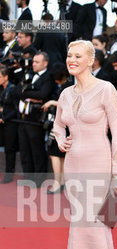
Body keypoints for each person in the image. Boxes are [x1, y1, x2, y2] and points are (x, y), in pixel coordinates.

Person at [53, 40, 117, 249]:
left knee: (97, 229)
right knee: (79, 230)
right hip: (74, 168)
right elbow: (58, 125)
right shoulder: (65, 94)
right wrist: (62, 141)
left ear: (90, 60)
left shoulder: (106, 89)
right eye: (69, 55)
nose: (71, 59)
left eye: (77, 56)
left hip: (99, 165)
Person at [18, 51, 55, 187]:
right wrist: (29, 95)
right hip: (22, 119)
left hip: (36, 120)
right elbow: (18, 91)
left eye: (36, 62)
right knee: (25, 150)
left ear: (45, 63)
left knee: (37, 150)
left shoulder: (48, 77)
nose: (33, 64)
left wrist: (27, 93)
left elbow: (42, 94)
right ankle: (28, 177)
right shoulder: (30, 74)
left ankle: (39, 179)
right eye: (33, 61)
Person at [42, 62, 73, 194]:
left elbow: (67, 104)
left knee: (55, 154)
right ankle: (62, 182)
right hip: (66, 125)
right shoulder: (70, 85)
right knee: (60, 154)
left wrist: (52, 102)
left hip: (62, 125)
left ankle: (57, 183)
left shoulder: (67, 88)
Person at [0, 65, 19, 183]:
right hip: (2, 122)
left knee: (9, 149)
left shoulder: (13, 89)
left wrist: (4, 118)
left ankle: (9, 173)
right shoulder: (1, 89)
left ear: (6, 77)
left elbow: (16, 109)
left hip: (10, 123)